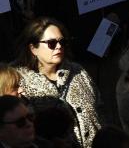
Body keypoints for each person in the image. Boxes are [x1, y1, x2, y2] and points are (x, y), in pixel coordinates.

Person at [14, 17, 102, 147]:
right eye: (51, 43)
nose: (59, 46)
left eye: (62, 42)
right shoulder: (19, 81)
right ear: (33, 49)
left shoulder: (77, 71)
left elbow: (100, 108)